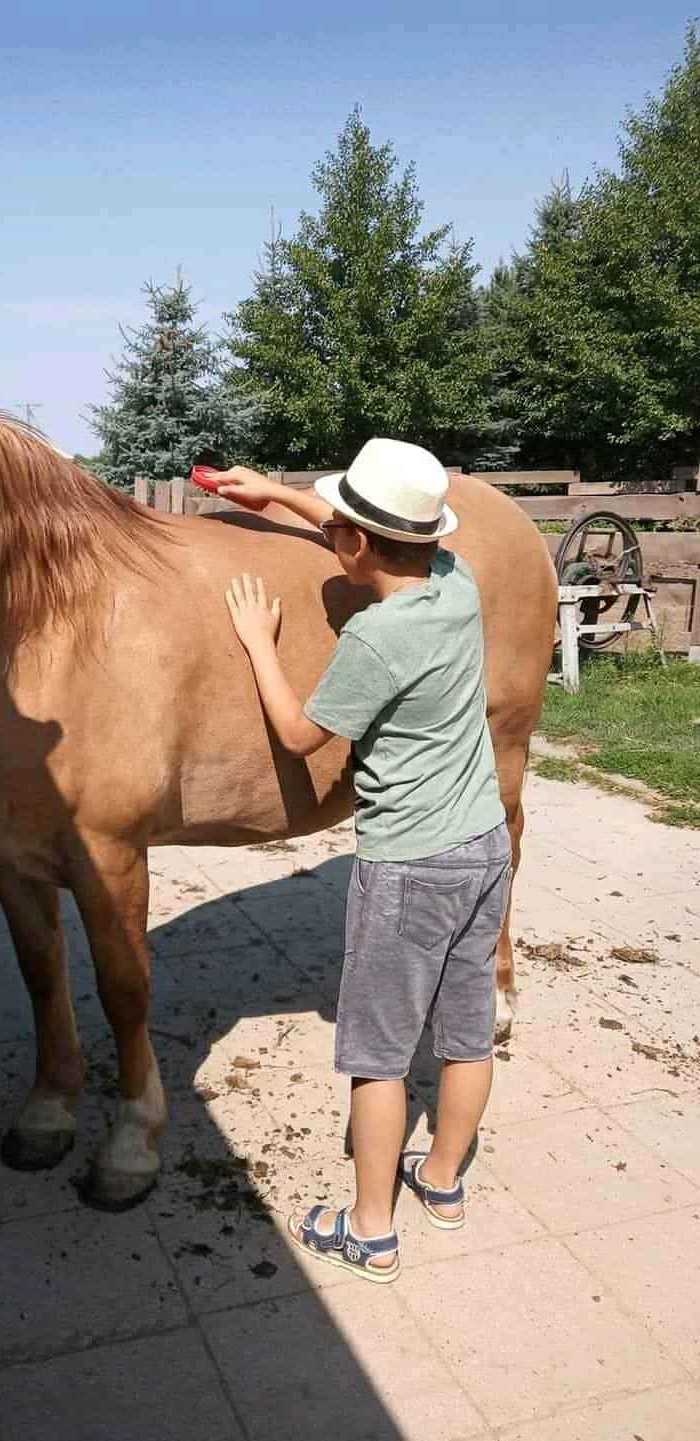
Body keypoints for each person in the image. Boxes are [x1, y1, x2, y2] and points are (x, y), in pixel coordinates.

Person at [216, 438, 511, 1283]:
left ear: (352, 543)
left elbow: (304, 735)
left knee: (378, 1056)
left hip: (409, 866)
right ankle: (444, 1182)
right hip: (483, 844)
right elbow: (366, 537)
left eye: (339, 524)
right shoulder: (455, 584)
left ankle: (370, 1228)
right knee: (464, 1035)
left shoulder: (375, 638)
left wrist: (259, 642)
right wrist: (278, 494)